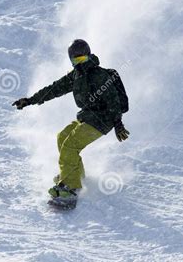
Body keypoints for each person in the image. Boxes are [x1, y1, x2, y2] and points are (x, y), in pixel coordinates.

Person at [13, 39, 130, 205]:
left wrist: (118, 124)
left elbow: (113, 102)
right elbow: (54, 89)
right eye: (76, 60)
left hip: (103, 120)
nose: (80, 63)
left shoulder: (99, 75)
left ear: (89, 56)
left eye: (82, 59)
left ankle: (71, 188)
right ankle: (75, 175)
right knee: (62, 137)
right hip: (88, 117)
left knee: (70, 146)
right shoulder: (76, 76)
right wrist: (30, 100)